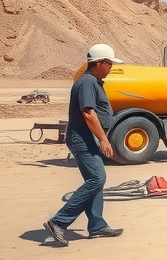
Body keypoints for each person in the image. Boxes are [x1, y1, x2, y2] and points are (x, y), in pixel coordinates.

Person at [43, 43, 125, 245]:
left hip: (89, 138)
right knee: (97, 178)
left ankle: (97, 225)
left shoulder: (93, 81)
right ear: (99, 63)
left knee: (95, 179)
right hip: (83, 138)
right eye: (109, 63)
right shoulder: (87, 82)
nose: (111, 67)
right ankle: (59, 221)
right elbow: (88, 113)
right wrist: (103, 139)